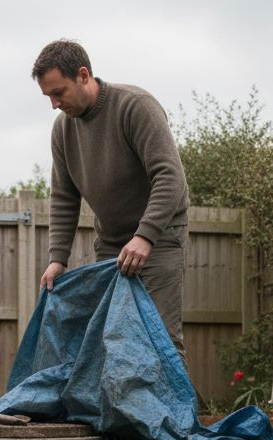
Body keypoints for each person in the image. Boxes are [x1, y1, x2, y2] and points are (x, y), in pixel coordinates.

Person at [32, 39, 190, 361]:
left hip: (159, 239)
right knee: (113, 345)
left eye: (59, 93)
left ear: (83, 75)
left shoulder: (135, 107)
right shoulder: (62, 130)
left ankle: (173, 399)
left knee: (159, 340)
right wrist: (57, 258)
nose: (54, 104)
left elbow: (170, 177)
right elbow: (63, 198)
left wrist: (145, 236)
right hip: (111, 247)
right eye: (48, 96)